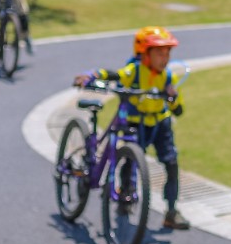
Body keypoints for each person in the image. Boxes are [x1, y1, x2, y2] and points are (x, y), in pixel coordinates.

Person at [73, 26, 189, 230]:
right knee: (130, 161)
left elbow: (178, 110)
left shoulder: (167, 77)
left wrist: (172, 98)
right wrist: (92, 75)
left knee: (171, 164)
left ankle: (171, 210)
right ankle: (125, 195)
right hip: (135, 123)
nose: (165, 58)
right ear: (144, 54)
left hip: (160, 125)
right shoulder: (134, 71)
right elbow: (113, 75)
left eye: (167, 53)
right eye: (159, 53)